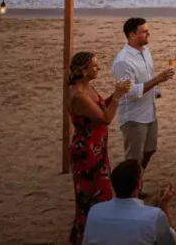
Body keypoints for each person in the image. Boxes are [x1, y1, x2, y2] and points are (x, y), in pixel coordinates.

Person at [67, 51, 132, 245]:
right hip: (87, 152)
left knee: (101, 192)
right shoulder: (79, 94)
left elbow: (102, 106)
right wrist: (118, 97)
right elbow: (105, 118)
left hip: (98, 149)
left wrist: (116, 92)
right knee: (90, 196)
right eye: (95, 66)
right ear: (84, 71)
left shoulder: (88, 87)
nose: (99, 68)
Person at [112, 18, 176, 171]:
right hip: (133, 117)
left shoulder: (145, 51)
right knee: (133, 158)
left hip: (149, 111)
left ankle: (137, 179)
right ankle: (130, 188)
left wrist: (156, 91)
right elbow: (129, 92)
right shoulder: (123, 61)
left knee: (150, 149)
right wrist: (157, 79)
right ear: (132, 35)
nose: (149, 34)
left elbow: (145, 79)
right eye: (144, 32)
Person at [82, 160, 175, 245]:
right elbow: (169, 242)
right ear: (139, 185)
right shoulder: (155, 216)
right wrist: (164, 204)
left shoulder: (95, 211)